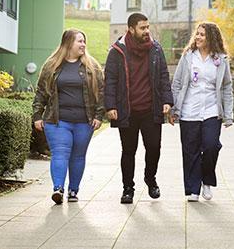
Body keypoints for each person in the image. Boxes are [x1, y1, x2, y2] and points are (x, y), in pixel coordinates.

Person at [104, 12, 173, 204]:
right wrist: (110, 106)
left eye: (147, 27)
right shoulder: (117, 51)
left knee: (154, 148)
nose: (146, 31)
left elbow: (163, 76)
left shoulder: (156, 49)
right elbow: (110, 80)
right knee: (128, 150)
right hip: (127, 111)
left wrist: (167, 100)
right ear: (131, 29)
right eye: (142, 28)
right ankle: (128, 189)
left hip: (151, 110)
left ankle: (150, 179)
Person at [32, 29, 104, 204]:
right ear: (68, 43)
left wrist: (99, 115)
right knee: (59, 153)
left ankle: (73, 190)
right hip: (57, 120)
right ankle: (58, 188)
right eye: (79, 41)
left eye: (84, 41)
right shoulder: (51, 66)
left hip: (84, 121)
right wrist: (37, 116)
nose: (83, 45)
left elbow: (101, 93)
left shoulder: (92, 67)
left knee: (78, 156)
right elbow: (41, 92)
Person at [171, 22, 233, 202]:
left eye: (202, 35)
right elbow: (176, 84)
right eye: (197, 34)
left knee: (211, 145)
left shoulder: (221, 60)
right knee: (190, 151)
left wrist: (228, 114)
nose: (197, 37)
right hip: (189, 110)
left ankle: (207, 179)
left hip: (212, 111)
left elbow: (227, 86)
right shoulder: (188, 57)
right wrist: (175, 109)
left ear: (211, 38)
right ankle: (192, 189)